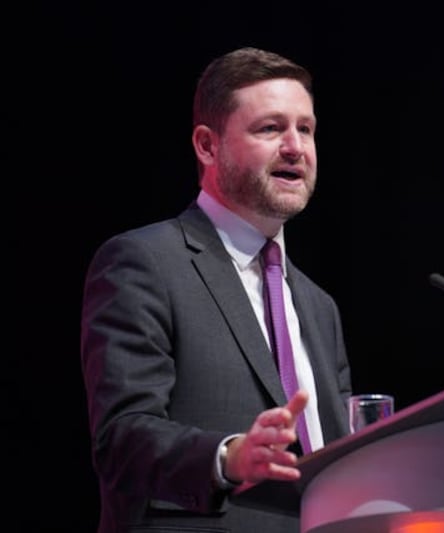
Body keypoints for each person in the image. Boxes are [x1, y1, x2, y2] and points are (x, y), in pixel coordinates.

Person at [80, 47, 352, 533]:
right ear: (207, 146)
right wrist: (228, 456)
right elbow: (120, 440)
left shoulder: (318, 305)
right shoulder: (145, 263)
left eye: (305, 129)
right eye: (270, 128)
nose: (295, 147)